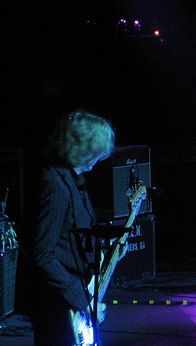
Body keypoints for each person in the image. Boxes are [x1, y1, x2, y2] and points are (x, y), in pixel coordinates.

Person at [19, 109, 116, 345]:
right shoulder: (54, 184)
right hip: (57, 303)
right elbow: (42, 254)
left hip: (71, 298)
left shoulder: (73, 181)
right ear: (83, 148)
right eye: (96, 151)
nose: (98, 158)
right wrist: (80, 299)